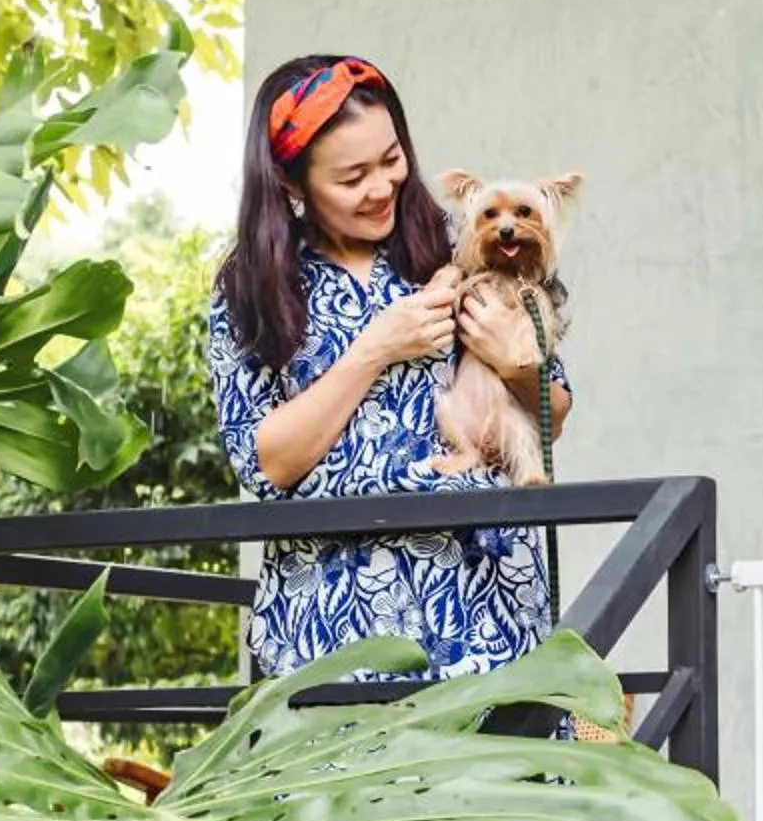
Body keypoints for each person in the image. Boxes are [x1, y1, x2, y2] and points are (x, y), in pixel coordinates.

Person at [204, 54, 571, 679]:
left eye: (391, 159)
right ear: (292, 185)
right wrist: (375, 348)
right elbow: (266, 465)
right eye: (351, 177)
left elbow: (552, 413)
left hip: (481, 598)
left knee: (494, 773)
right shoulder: (252, 285)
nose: (381, 188)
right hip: (330, 618)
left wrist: (519, 364)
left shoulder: (458, 243)